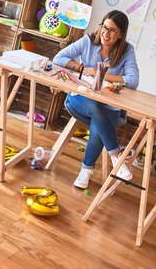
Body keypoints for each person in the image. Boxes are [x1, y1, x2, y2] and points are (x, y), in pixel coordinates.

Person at [52, 10, 139, 189]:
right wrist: (83, 68)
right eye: (104, 28)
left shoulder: (127, 51)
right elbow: (59, 58)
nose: (106, 34)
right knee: (97, 110)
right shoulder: (88, 41)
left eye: (112, 31)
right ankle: (117, 158)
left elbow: (133, 81)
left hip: (109, 107)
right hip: (80, 100)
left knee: (99, 119)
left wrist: (103, 75)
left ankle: (86, 171)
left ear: (121, 34)